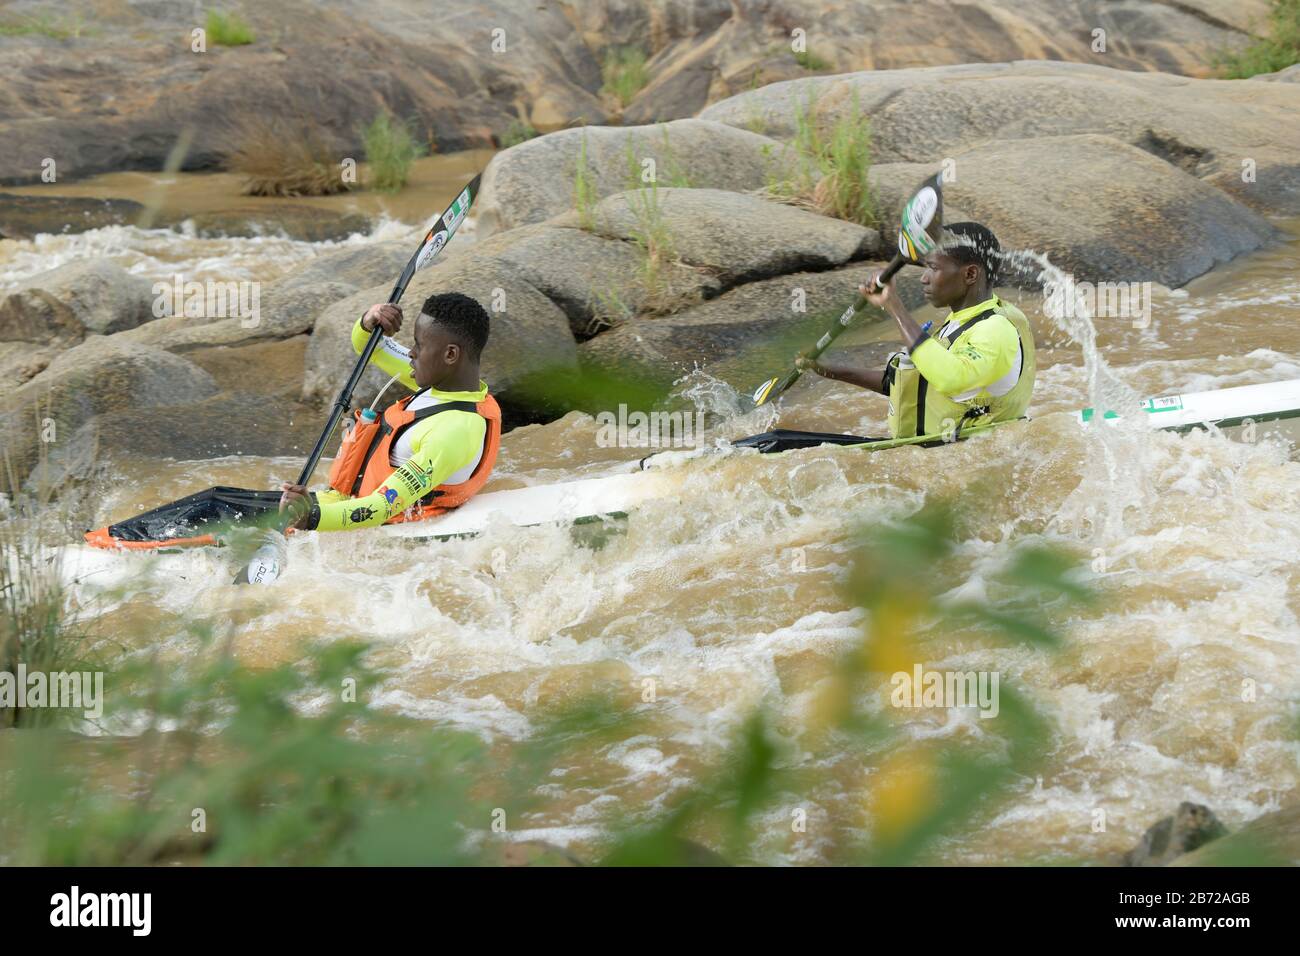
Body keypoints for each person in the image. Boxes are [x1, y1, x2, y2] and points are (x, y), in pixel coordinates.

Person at [278, 291, 500, 531]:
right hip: (340, 505)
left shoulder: (454, 432)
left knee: (234, 520)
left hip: (366, 523)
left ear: (450, 354)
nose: (411, 353)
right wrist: (369, 320)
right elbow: (369, 347)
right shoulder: (442, 385)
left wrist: (310, 517)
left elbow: (382, 506)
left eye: (419, 344)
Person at [797, 222, 1035, 439]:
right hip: (934, 455)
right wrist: (830, 370)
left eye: (933, 268)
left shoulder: (995, 329)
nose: (924, 278)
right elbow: (910, 386)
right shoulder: (961, 321)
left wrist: (894, 306)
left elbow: (951, 378)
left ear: (970, 274)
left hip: (965, 467)